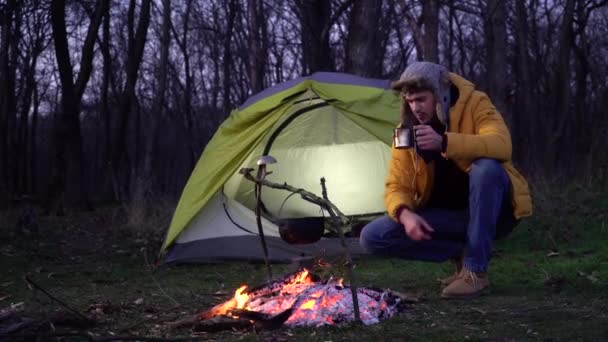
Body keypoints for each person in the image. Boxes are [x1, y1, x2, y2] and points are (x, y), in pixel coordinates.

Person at [359, 61, 532, 299]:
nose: (415, 107)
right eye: (410, 101)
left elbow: (502, 145)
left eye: (421, 99)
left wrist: (445, 143)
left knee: (486, 169)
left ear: (440, 95)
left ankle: (475, 273)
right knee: (372, 237)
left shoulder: (475, 103)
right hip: (450, 219)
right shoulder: (406, 132)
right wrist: (404, 214)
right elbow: (396, 185)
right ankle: (462, 252)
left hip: (494, 213)